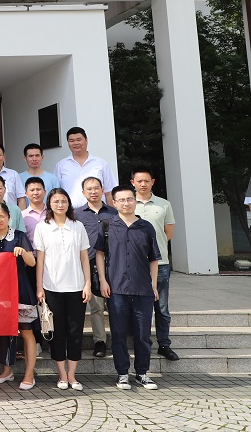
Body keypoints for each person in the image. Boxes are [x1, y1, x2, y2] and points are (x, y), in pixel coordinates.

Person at [97, 185, 162, 391]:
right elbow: (99, 254)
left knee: (143, 334)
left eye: (129, 199)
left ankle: (142, 373)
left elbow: (154, 258)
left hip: (142, 289)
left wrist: (153, 285)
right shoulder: (107, 225)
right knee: (119, 333)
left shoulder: (146, 227)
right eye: (121, 200)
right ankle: (122, 374)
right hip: (116, 288)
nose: (126, 203)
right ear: (114, 203)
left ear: (135, 201)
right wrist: (103, 281)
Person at [34, 187, 92, 391]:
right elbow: (40, 260)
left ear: (69, 204)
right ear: (49, 204)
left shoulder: (78, 226)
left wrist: (87, 283)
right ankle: (61, 375)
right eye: (56, 201)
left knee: (75, 332)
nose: (60, 204)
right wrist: (39, 287)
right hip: (52, 288)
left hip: (76, 287)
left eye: (64, 201)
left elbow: (84, 258)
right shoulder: (42, 227)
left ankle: (72, 375)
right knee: (57, 332)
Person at [131, 165, 179, 361]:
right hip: (134, 264)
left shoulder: (164, 204)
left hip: (160, 263)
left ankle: (164, 344)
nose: (143, 184)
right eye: (139, 181)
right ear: (132, 183)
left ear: (152, 182)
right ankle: (141, 342)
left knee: (162, 308)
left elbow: (168, 233)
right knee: (137, 307)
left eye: (146, 180)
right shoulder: (127, 203)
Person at [0, 202, 38, 390]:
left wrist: (22, 252)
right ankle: (6, 371)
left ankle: (29, 373)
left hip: (20, 290)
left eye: (2, 216)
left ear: (9, 217)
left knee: (26, 331)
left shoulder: (19, 236)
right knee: (4, 333)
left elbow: (32, 262)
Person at [76, 176, 116, 359]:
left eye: (96, 188)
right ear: (83, 192)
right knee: (97, 306)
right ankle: (100, 341)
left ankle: (119, 339)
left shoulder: (113, 212)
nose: (93, 192)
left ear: (102, 190)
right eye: (89, 189)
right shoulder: (77, 214)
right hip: (89, 263)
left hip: (113, 263)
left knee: (116, 305)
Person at [53, 126, 118, 208]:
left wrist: (113, 212)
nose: (75, 143)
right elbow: (56, 193)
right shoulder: (61, 165)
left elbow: (109, 192)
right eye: (72, 141)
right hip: (71, 212)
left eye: (79, 140)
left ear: (86, 140)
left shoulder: (101, 164)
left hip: (98, 212)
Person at [21, 176, 47, 244]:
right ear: (26, 194)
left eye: (38, 189)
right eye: (32, 190)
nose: (35, 193)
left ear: (45, 192)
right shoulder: (22, 215)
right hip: (31, 250)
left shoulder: (53, 213)